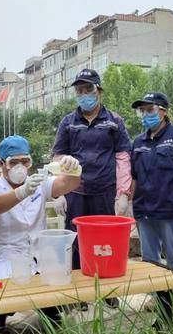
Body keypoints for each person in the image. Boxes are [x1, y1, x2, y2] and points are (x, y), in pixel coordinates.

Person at [0, 135, 80, 334]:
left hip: (38, 253)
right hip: (8, 255)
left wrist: (73, 169)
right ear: (1, 164)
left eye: (25, 161)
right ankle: (0, 315)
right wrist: (21, 193)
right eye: (13, 162)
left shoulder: (39, 183)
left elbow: (69, 184)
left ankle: (48, 310)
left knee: (51, 296)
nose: (20, 167)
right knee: (6, 291)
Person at [52, 69, 132, 273]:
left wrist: (122, 194)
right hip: (75, 192)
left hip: (105, 191)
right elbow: (59, 156)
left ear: (98, 90)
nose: (83, 94)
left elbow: (123, 157)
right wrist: (58, 192)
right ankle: (80, 290)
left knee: (105, 241)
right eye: (79, 90)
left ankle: (107, 287)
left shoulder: (114, 121)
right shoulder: (68, 122)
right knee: (76, 241)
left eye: (88, 89)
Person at [130, 92, 173, 273]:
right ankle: (156, 300)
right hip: (144, 210)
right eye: (142, 111)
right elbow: (134, 176)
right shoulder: (138, 141)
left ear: (163, 111)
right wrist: (129, 203)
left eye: (149, 110)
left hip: (170, 210)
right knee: (149, 262)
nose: (145, 115)